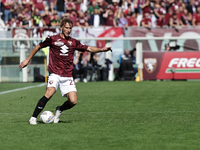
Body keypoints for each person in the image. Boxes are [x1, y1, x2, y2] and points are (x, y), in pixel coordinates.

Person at [19, 18, 112, 125]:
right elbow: (38, 47)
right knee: (49, 92)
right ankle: (33, 118)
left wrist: (102, 49)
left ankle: (60, 109)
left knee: (73, 101)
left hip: (67, 76)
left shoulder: (73, 42)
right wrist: (27, 59)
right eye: (66, 28)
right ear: (61, 27)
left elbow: (89, 49)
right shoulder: (52, 39)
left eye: (70, 28)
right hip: (54, 73)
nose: (68, 30)